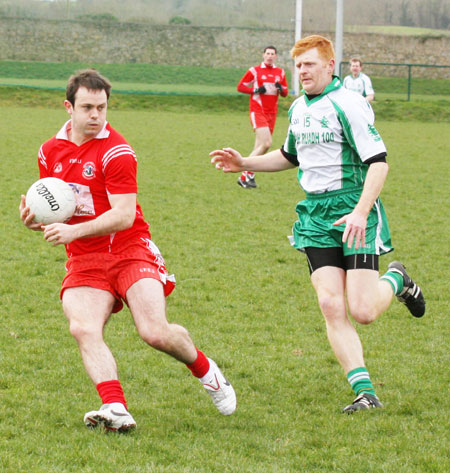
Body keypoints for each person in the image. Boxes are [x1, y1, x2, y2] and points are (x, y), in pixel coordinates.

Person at [210, 35, 425, 414]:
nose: (302, 71)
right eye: (299, 65)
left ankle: (398, 279)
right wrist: (244, 163)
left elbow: (379, 162)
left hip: (353, 209)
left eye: (309, 64)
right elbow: (289, 156)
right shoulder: (298, 109)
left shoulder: (349, 104)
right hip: (314, 215)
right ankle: (365, 392)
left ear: (330, 65)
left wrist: (361, 211)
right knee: (329, 303)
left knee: (363, 311)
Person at [19, 69, 236, 432]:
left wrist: (72, 230)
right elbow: (55, 206)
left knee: (154, 331)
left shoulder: (117, 151)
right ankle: (115, 407)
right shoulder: (49, 151)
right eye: (87, 107)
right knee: (83, 328)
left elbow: (122, 215)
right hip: (85, 257)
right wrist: (34, 219)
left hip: (130, 249)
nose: (95, 116)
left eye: (101, 107)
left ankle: (206, 370)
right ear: (68, 107)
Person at [236, 45, 289, 188]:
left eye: (273, 54)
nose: (270, 56)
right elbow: (240, 86)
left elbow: (285, 93)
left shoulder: (280, 72)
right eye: (268, 53)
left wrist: (280, 88)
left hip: (272, 113)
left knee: (261, 146)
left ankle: (248, 177)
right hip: (258, 111)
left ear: (276, 56)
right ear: (263, 55)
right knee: (266, 143)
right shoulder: (255, 71)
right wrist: (255, 90)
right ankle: (244, 172)